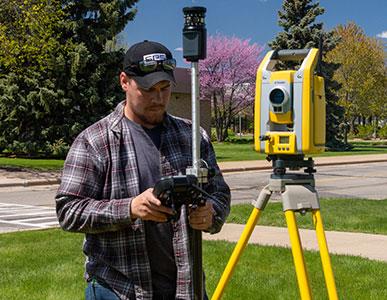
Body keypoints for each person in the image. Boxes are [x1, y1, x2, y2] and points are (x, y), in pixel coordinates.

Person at [55, 40, 231, 300]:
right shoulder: (95, 140)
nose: (158, 98)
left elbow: (220, 193)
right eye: (148, 89)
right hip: (118, 288)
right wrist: (130, 208)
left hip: (186, 288)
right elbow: (68, 211)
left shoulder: (192, 137)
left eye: (164, 88)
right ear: (125, 81)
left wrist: (211, 213)